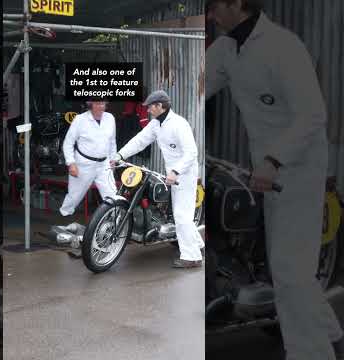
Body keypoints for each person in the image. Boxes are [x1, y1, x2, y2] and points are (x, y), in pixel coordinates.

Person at [205, 0, 343, 359]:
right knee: (291, 267)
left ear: (238, 3)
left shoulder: (283, 46)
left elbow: (313, 113)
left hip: (298, 167)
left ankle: (311, 353)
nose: (209, 14)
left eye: (215, 5)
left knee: (289, 273)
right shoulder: (225, 49)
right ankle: (329, 331)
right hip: (267, 171)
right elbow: (196, 85)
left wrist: (273, 159)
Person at [113, 90, 204, 268]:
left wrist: (176, 171)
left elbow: (192, 152)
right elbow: (140, 141)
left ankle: (192, 258)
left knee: (181, 214)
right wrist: (120, 154)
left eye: (150, 107)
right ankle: (198, 245)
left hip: (184, 174)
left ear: (160, 106)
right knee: (178, 212)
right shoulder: (156, 124)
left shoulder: (179, 124)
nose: (147, 110)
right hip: (171, 173)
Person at [59, 98, 117, 217]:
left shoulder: (110, 118)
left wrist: (113, 159)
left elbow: (112, 142)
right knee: (74, 196)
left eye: (103, 103)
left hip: (104, 164)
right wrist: (71, 163)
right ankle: (64, 216)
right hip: (83, 164)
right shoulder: (80, 120)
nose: (101, 106)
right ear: (90, 104)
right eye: (97, 103)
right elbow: (68, 143)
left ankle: (116, 220)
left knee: (112, 195)